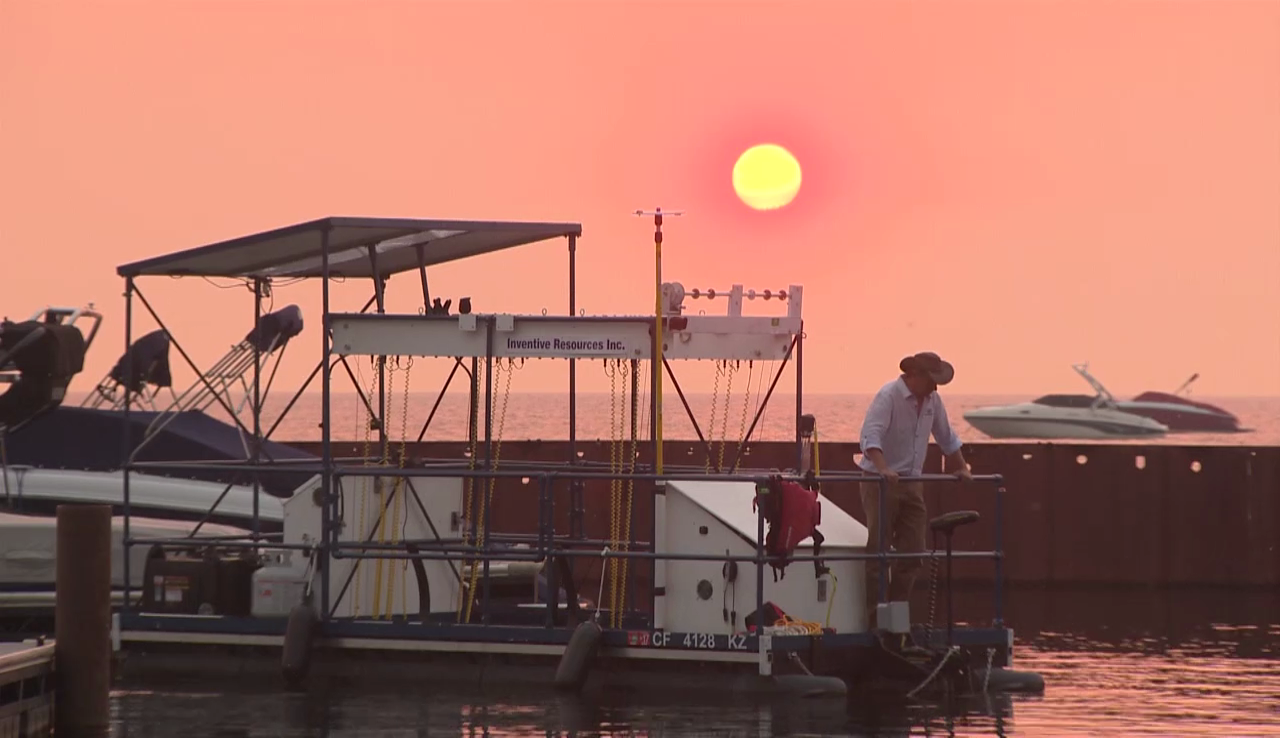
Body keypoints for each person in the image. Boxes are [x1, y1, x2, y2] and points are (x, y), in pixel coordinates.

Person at [857, 351, 972, 627]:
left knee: (913, 552)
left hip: (912, 482)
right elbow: (870, 434)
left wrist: (961, 467)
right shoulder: (888, 396)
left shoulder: (932, 401)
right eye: (932, 381)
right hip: (879, 482)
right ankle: (875, 620)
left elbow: (946, 436)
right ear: (915, 376)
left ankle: (896, 617)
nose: (935, 388)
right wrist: (884, 468)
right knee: (879, 550)